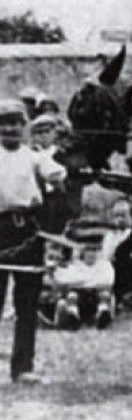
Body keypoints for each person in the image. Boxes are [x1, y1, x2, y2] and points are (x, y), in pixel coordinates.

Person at [1, 98, 67, 384]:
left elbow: (59, 175)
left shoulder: (35, 156)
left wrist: (60, 179)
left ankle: (23, 366)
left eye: (16, 123)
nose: (10, 129)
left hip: (28, 230)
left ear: (24, 126)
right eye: (4, 123)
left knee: (27, 302)